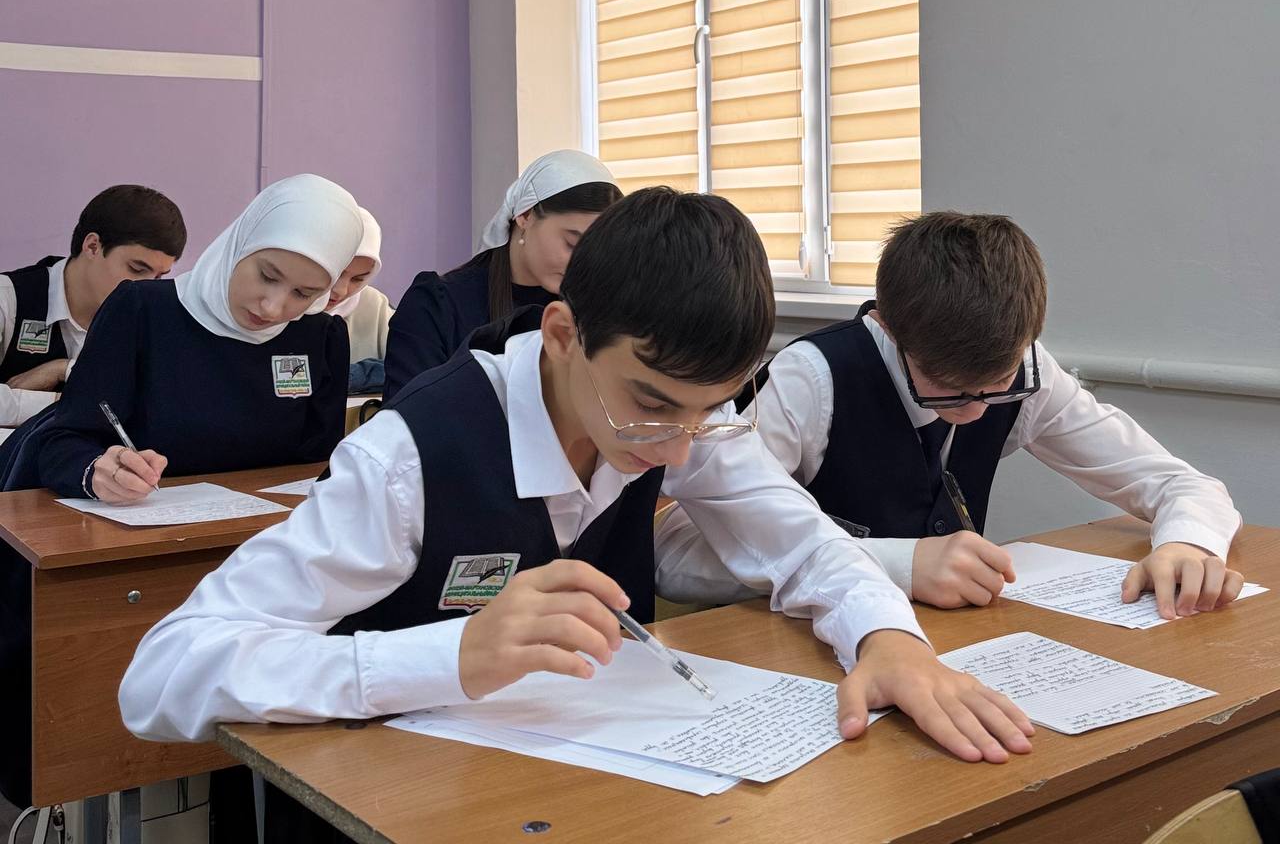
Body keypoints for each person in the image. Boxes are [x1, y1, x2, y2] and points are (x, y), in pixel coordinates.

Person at [120, 189, 1036, 844]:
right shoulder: (410, 455)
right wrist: (452, 655)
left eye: (706, 413)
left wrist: (889, 639)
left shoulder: (679, 419)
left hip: (573, 804)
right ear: (562, 334)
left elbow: (801, 542)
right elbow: (162, 675)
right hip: (383, 813)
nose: (677, 451)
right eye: (652, 405)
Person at [655, 211, 1243, 622]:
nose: (977, 409)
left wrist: (1188, 544)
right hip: (794, 649)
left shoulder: (1026, 370)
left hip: (955, 645)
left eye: (998, 385)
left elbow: (1182, 484)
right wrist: (897, 565)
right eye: (947, 391)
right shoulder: (812, 379)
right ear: (888, 327)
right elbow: (675, 550)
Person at [27, 174, 362, 500]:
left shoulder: (320, 336)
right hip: (144, 525)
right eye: (267, 276)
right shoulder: (142, 311)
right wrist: (98, 471)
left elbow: (318, 467)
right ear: (240, 244)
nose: (273, 308)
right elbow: (62, 444)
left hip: (271, 529)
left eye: (304, 293)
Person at [383, 150, 620, 398]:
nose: (579, 263)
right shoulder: (435, 306)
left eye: (592, 250)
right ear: (525, 216)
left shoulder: (590, 312)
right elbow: (405, 414)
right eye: (572, 243)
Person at [0, 185, 186, 426]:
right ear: (92, 246)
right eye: (137, 269)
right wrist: (66, 404)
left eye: (159, 277)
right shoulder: (7, 297)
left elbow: (159, 405)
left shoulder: (154, 318)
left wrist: (66, 369)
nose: (146, 287)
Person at [325, 207, 393, 392]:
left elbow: (416, 366)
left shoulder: (375, 306)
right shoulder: (273, 309)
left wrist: (353, 376)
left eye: (358, 279)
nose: (341, 290)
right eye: (336, 273)